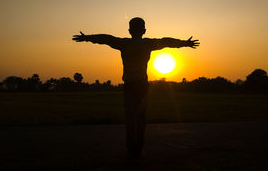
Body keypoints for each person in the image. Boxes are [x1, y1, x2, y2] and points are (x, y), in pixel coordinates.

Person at [72, 17, 199, 158]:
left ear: (129, 30)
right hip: (142, 86)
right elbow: (166, 41)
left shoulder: (124, 43)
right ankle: (138, 147)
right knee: (140, 118)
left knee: (130, 117)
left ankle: (132, 147)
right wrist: (185, 43)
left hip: (130, 85)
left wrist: (87, 38)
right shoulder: (147, 44)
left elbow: (106, 38)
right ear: (144, 30)